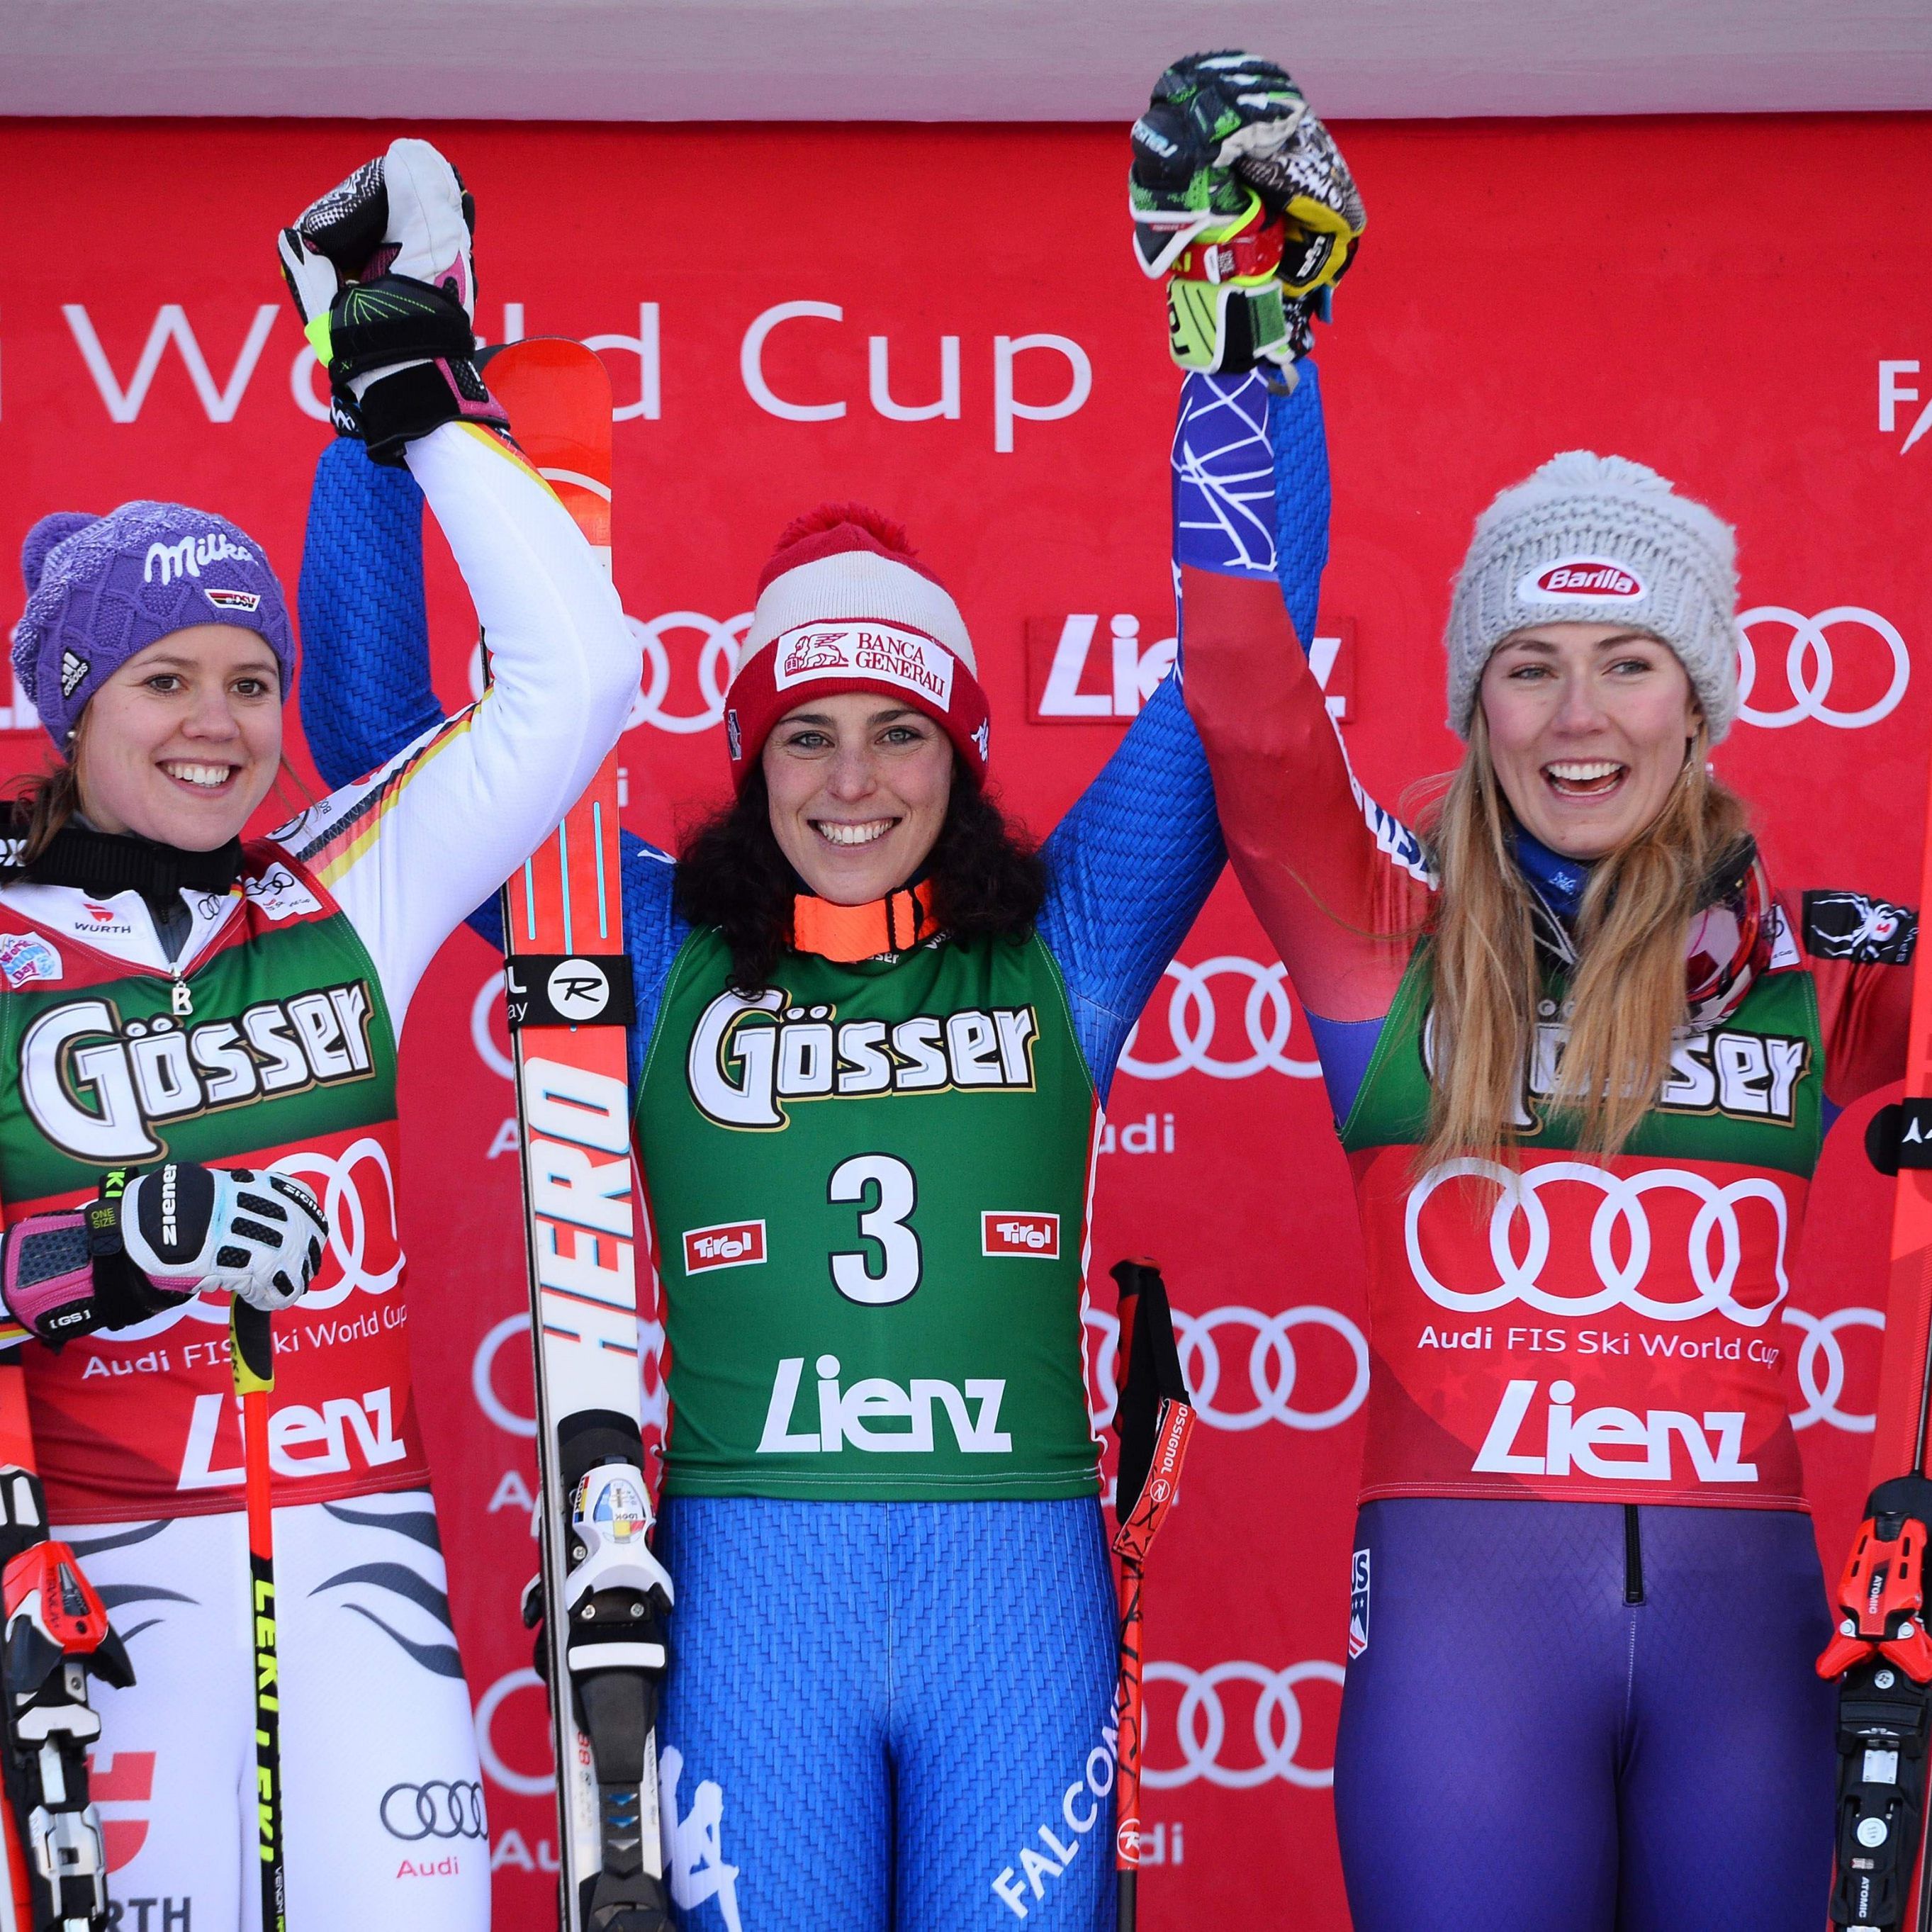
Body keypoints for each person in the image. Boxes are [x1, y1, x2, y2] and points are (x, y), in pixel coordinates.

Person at [297, 79, 1363, 1924]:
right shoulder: (640, 944)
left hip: (1010, 1593)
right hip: (743, 1590)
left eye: (895, 733)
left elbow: (1238, 667)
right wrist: (381, 406)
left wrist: (1244, 336)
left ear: (958, 754)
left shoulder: (1066, 942)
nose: (850, 778)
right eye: (804, 733)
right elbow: (388, 740)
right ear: (750, 757)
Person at [1151, 55, 1915, 1932]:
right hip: (1460, 1642)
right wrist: (1238, 343)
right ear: (1470, 706)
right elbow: (1240, 680)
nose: (1578, 717)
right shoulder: (1373, 940)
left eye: (1627, 663)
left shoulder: (1831, 964)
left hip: (1753, 1635)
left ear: (1701, 699)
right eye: (1530, 668)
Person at [0, 140, 639, 1926]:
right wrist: (95, 1249)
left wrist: (421, 397)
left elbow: (581, 675)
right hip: (100, 1586)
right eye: (165, 679)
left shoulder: (342, 889)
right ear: (73, 707)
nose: (219, 723)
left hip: (364, 1566)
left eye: (253, 681)